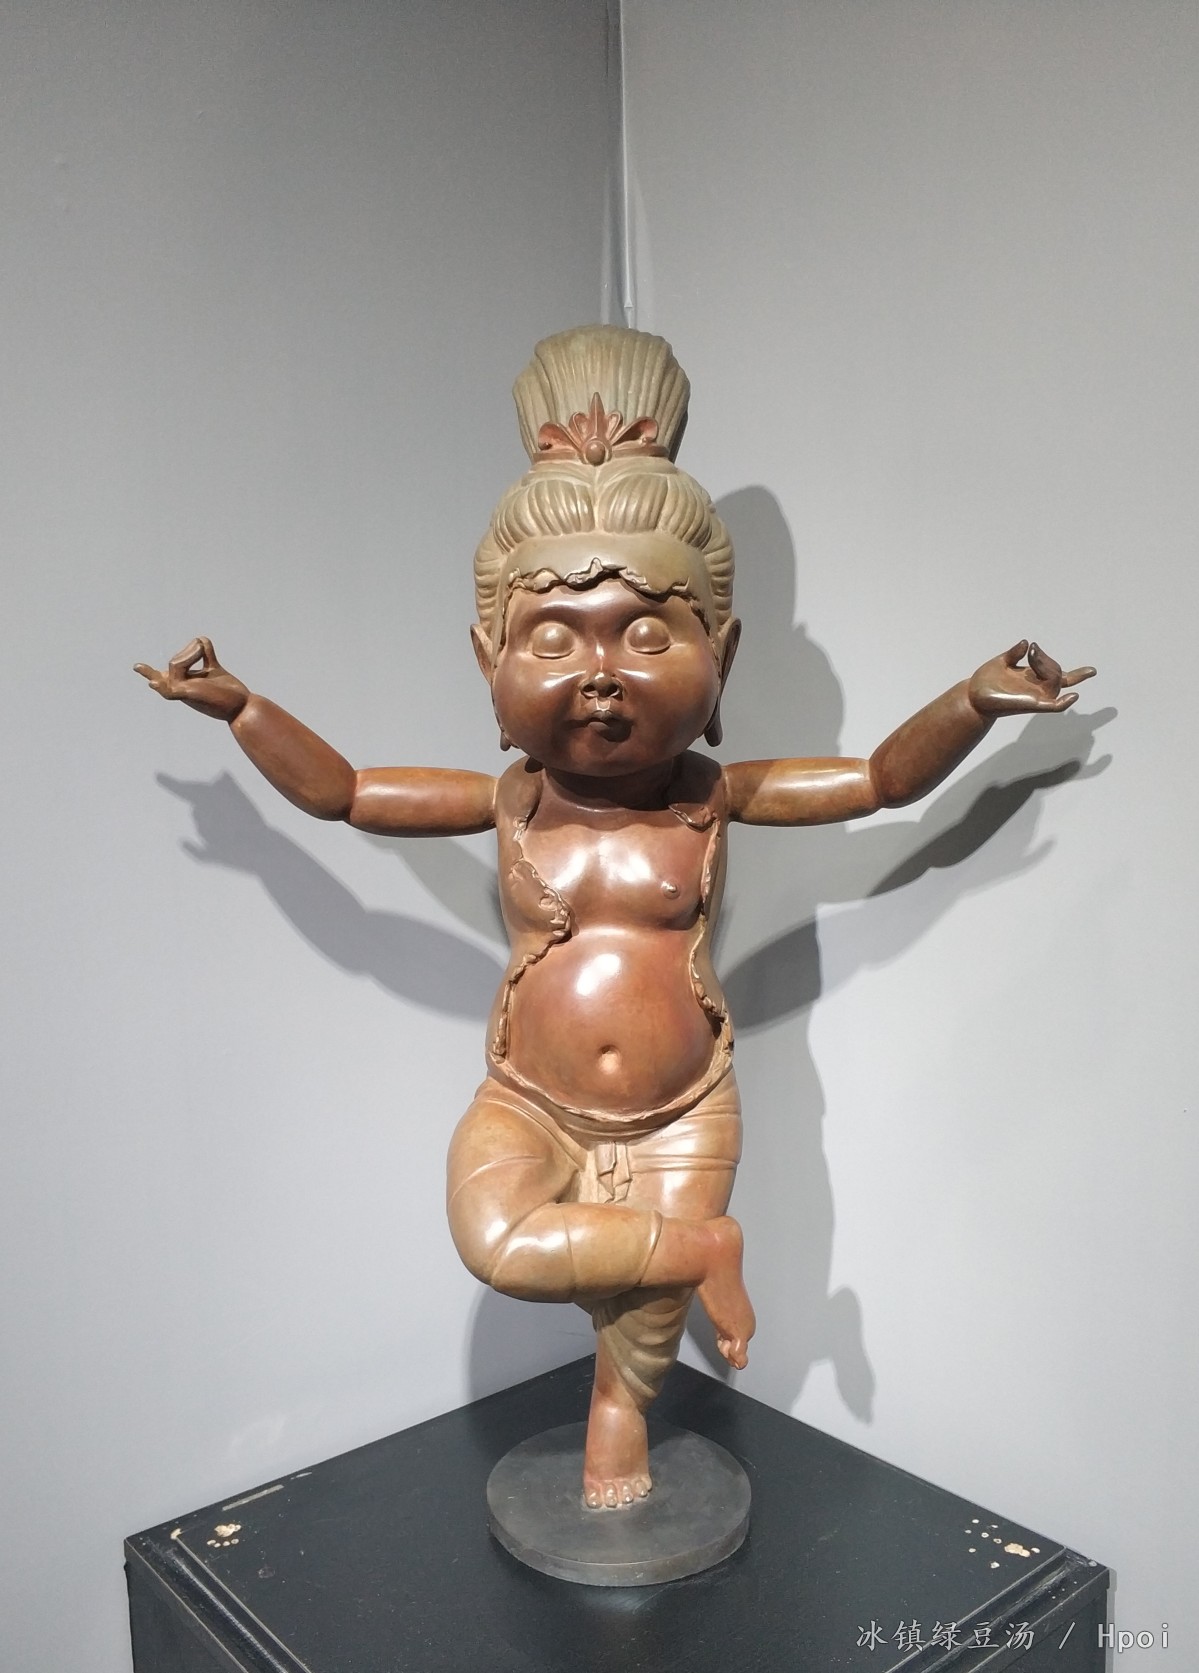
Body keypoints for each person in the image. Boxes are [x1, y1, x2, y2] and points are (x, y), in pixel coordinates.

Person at [136, 325, 1094, 1510]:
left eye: (647, 633)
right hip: (526, 1097)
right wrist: (243, 709)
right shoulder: (505, 799)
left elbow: (875, 783)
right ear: (487, 662)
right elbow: (345, 793)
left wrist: (971, 703)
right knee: (495, 1238)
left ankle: (613, 1420)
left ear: (719, 655)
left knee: (642, 1317)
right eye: (553, 636)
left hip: (684, 1105)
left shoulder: (711, 796)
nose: (601, 670)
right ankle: (702, 1249)